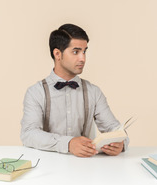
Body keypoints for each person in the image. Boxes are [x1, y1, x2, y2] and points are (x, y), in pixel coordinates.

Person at [20, 24, 129, 157]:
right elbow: (29, 134)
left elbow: (114, 128)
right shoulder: (36, 92)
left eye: (84, 51)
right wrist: (68, 143)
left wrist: (121, 143)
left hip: (85, 167)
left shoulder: (93, 92)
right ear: (57, 54)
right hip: (46, 166)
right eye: (76, 52)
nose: (82, 58)